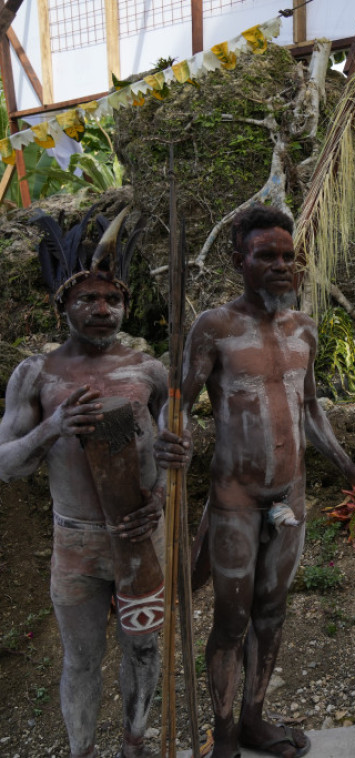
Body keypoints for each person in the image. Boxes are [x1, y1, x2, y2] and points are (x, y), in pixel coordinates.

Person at [155, 205, 355, 758]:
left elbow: (310, 409)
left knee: (272, 611)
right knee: (232, 619)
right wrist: (174, 441)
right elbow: (181, 405)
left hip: (291, 498)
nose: (283, 265)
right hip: (235, 500)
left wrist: (346, 465)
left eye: (290, 256)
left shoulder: (303, 328)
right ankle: (224, 731)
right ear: (240, 261)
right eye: (267, 256)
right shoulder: (215, 328)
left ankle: (255, 718)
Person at [0, 209, 166, 758]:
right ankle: (82, 752)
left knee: (144, 651)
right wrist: (53, 428)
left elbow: (167, 447)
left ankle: (134, 743)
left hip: (141, 537)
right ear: (62, 305)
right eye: (87, 300)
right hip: (76, 542)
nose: (102, 310)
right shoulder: (37, 375)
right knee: (80, 657)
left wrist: (163, 487)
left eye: (112, 300)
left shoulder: (149, 371)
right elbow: (6, 464)